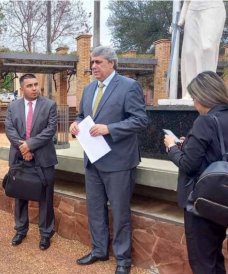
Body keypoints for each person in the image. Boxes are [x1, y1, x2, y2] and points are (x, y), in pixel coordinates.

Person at [70, 46, 148, 274]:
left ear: (112, 63)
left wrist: (109, 128)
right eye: (92, 63)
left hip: (119, 162)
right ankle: (99, 250)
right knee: (95, 209)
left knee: (121, 212)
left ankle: (123, 260)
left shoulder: (129, 86)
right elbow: (82, 116)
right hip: (92, 160)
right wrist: (76, 124)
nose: (93, 66)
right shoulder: (88, 88)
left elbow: (141, 120)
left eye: (98, 62)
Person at [163, 71, 228, 273]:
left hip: (200, 201)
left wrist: (172, 147)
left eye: (194, 98)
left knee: (202, 262)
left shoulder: (205, 121)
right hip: (224, 200)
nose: (194, 103)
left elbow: (189, 166)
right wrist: (188, 144)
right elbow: (220, 154)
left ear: (203, 96)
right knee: (215, 257)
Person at [5, 73, 58, 250]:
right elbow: (10, 130)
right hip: (19, 158)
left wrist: (30, 145)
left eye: (36, 84)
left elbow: (50, 130)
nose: (34, 88)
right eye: (30, 85)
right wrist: (24, 149)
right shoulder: (13, 106)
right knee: (20, 194)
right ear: (22, 89)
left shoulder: (49, 105)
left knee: (46, 197)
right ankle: (20, 230)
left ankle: (46, 233)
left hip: (43, 158)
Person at [176, 0, 226, 99]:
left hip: (212, 7)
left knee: (207, 48)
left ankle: (205, 89)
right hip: (192, 10)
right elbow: (186, 2)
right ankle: (192, 91)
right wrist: (181, 18)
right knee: (189, 51)